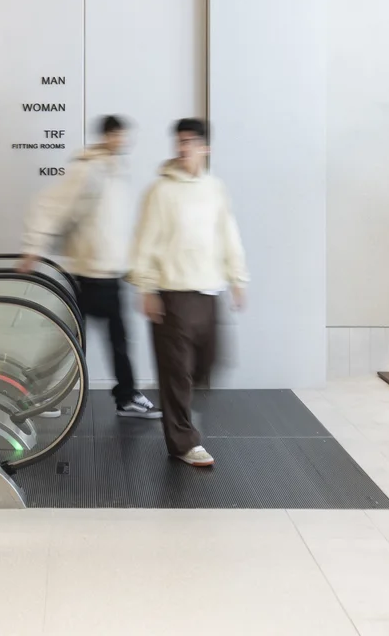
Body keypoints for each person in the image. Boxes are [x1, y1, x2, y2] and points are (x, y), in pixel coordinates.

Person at [18, 115, 160, 420]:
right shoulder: (89, 170)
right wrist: (33, 248)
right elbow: (50, 206)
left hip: (107, 272)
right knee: (82, 339)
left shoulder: (114, 170)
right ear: (107, 136)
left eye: (124, 136)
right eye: (117, 136)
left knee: (80, 338)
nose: (122, 141)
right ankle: (120, 396)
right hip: (91, 274)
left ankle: (39, 392)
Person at [129, 117, 248, 469]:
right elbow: (144, 241)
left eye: (191, 142)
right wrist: (146, 287)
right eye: (180, 142)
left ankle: (177, 403)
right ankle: (183, 441)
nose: (184, 148)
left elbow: (228, 234)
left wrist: (237, 279)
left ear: (205, 147)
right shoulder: (160, 191)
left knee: (209, 363)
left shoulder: (215, 188)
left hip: (209, 290)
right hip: (172, 293)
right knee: (177, 372)